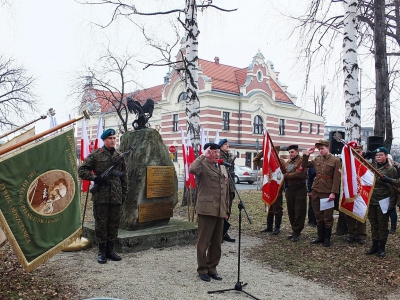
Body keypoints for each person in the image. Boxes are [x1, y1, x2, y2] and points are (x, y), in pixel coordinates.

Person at [78, 128, 128, 264]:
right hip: (101, 195)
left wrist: (124, 193)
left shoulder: (119, 156)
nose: (112, 140)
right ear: (104, 140)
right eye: (110, 138)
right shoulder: (96, 155)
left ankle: (110, 250)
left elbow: (124, 176)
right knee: (101, 223)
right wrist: (95, 178)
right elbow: (82, 170)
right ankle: (101, 251)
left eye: (114, 138)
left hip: (116, 195)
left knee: (114, 224)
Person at [189, 142, 229, 282]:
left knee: (217, 242)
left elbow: (225, 190)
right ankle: (202, 269)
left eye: (217, 151)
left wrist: (226, 209)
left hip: (220, 210)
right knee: (203, 241)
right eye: (213, 151)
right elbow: (192, 169)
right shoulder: (202, 164)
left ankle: (212, 268)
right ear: (208, 152)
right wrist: (202, 155)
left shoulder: (222, 166)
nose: (216, 154)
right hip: (206, 209)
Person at [301, 139, 341, 247]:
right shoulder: (317, 159)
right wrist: (308, 154)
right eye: (319, 149)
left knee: (327, 215)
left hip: (327, 191)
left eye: (322, 148)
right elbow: (304, 165)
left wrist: (333, 193)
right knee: (318, 214)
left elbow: (337, 178)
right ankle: (320, 236)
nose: (320, 151)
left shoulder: (335, 160)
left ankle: (327, 238)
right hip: (316, 190)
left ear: (328, 148)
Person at [365, 147, 397, 257]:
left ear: (386, 156)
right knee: (373, 224)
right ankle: (374, 245)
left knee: (382, 224)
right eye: (377, 155)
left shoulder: (390, 169)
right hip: (372, 199)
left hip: (383, 200)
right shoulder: (372, 166)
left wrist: (392, 204)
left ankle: (381, 247)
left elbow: (394, 188)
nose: (378, 157)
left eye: (381, 155)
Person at [253, 146, 284, 235]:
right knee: (268, 207)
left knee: (277, 208)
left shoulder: (281, 162)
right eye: (271, 152)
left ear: (277, 153)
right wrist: (263, 152)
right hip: (268, 188)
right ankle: (269, 226)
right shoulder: (266, 161)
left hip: (276, 189)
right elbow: (255, 161)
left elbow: (284, 173)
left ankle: (277, 227)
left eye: (274, 152)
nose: (273, 154)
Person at [284, 145, 308, 242]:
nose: (290, 154)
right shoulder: (288, 162)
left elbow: (300, 174)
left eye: (292, 152)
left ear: (297, 152)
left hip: (300, 189)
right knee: (291, 211)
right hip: (290, 189)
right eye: (289, 152)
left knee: (299, 211)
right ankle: (294, 229)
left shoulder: (302, 161)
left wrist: (286, 176)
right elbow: (284, 172)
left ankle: (297, 232)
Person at [345, 144, 367, 245]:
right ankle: (351, 234)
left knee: (361, 212)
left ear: (362, 152)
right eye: (354, 152)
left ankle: (361, 235)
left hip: (363, 192)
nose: (356, 154)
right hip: (351, 191)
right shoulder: (348, 163)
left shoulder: (367, 164)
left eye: (358, 152)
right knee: (350, 212)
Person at [218, 138, 236, 243]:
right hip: (223, 186)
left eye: (228, 144)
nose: (227, 146)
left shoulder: (229, 155)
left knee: (228, 210)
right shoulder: (219, 156)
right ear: (221, 146)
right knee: (222, 210)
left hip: (231, 186)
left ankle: (224, 233)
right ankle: (219, 234)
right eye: (225, 144)